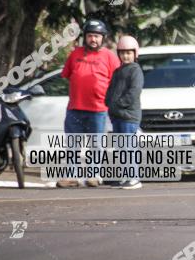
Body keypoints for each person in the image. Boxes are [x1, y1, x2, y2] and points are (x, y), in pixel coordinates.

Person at [57, 18, 121, 188]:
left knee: (96, 145)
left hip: (99, 109)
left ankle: (94, 175)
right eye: (90, 36)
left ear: (103, 38)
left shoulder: (110, 57)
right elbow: (67, 75)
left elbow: (118, 81)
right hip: (74, 108)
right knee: (72, 145)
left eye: (97, 36)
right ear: (85, 37)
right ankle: (72, 176)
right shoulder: (75, 54)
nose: (93, 39)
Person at [105, 35, 144, 189]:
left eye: (129, 53)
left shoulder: (135, 70)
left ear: (135, 54)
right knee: (121, 149)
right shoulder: (118, 71)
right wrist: (108, 102)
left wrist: (119, 104)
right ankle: (125, 177)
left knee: (128, 148)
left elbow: (134, 92)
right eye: (122, 53)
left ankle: (134, 179)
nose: (126, 56)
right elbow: (111, 89)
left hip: (129, 117)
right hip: (117, 116)